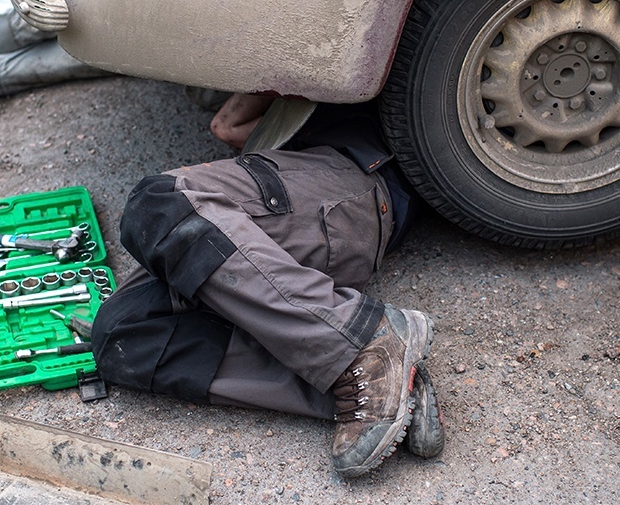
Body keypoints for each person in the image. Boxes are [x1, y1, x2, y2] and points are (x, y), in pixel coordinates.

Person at [89, 93, 445, 478]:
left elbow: (233, 120)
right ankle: (373, 383)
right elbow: (228, 127)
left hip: (348, 185)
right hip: (297, 244)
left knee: (159, 201)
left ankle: (360, 343)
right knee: (122, 337)